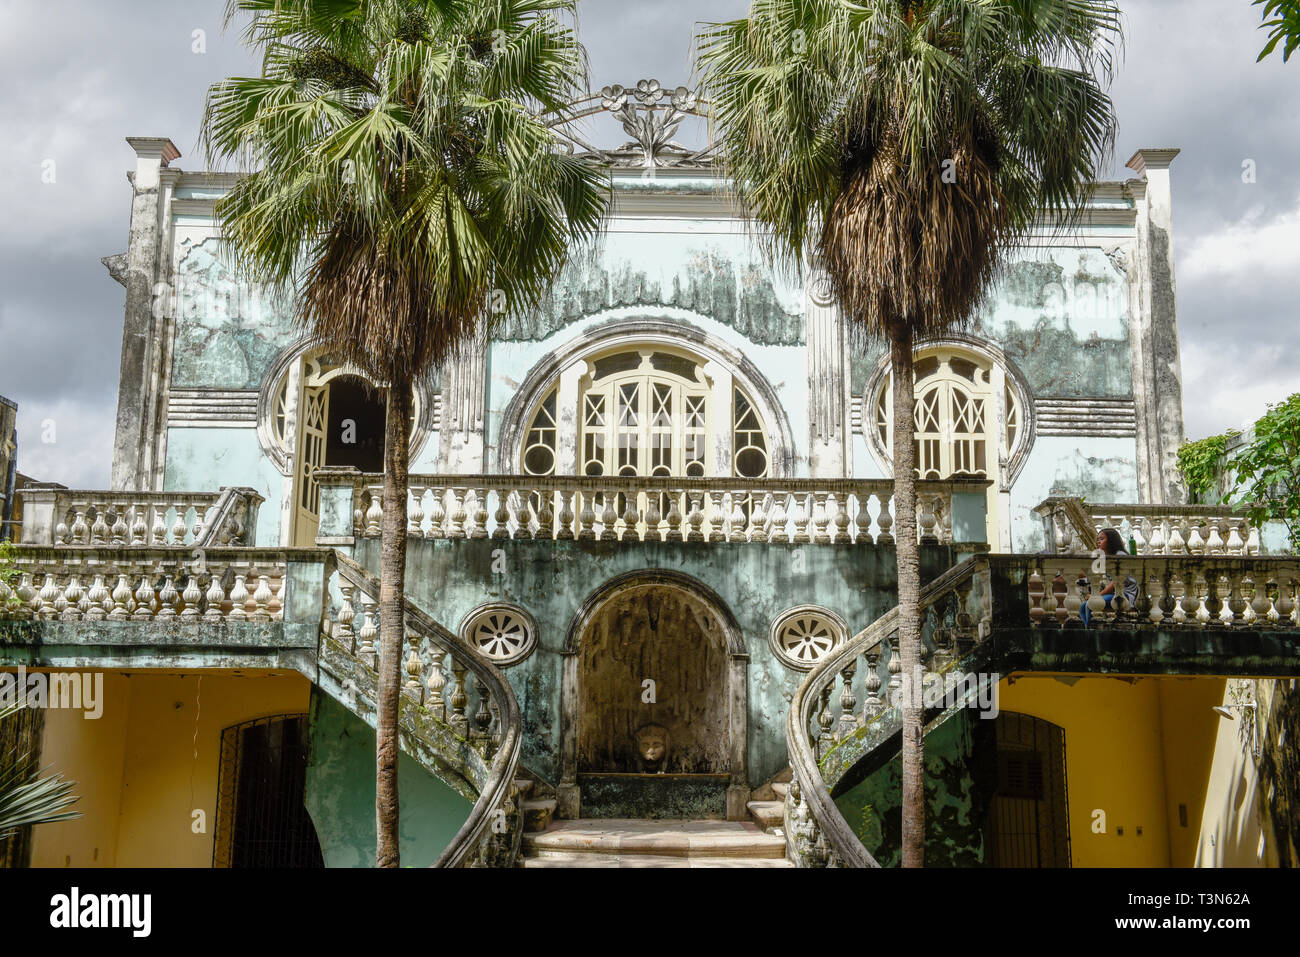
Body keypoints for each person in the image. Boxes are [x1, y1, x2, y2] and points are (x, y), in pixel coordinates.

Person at [1081, 527, 1139, 624]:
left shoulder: (1119, 555)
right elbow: (1093, 571)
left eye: (1102, 539)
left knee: (1091, 604)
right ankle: (1089, 631)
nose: (1098, 542)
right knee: (1083, 607)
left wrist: (1097, 595)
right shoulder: (1106, 557)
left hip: (1126, 595)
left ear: (1111, 541)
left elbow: (1115, 582)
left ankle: (1092, 632)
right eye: (1098, 539)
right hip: (1116, 593)